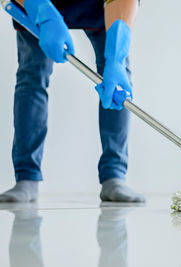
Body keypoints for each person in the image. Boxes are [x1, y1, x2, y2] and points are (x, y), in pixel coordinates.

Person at [0, 0, 145, 203]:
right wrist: (42, 11)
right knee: (31, 76)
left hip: (98, 6)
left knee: (116, 84)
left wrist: (116, 59)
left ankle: (114, 175)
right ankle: (27, 178)